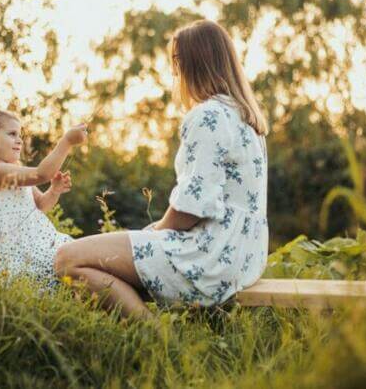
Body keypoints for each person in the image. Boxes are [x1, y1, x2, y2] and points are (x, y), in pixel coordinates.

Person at [54, 19, 269, 318]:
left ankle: (154, 339)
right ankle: (149, 332)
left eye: (176, 61)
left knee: (66, 259)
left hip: (209, 257)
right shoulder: (246, 119)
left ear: (187, 63)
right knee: (111, 265)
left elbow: (192, 207)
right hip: (243, 258)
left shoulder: (208, 115)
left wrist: (155, 231)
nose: (174, 70)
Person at [0, 108, 88, 286]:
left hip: (34, 243)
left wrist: (54, 191)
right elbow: (41, 174)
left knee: (78, 263)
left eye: (20, 135)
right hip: (18, 250)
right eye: (12, 134)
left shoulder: (12, 170)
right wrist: (66, 141)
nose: (19, 140)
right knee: (74, 265)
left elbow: (41, 204)